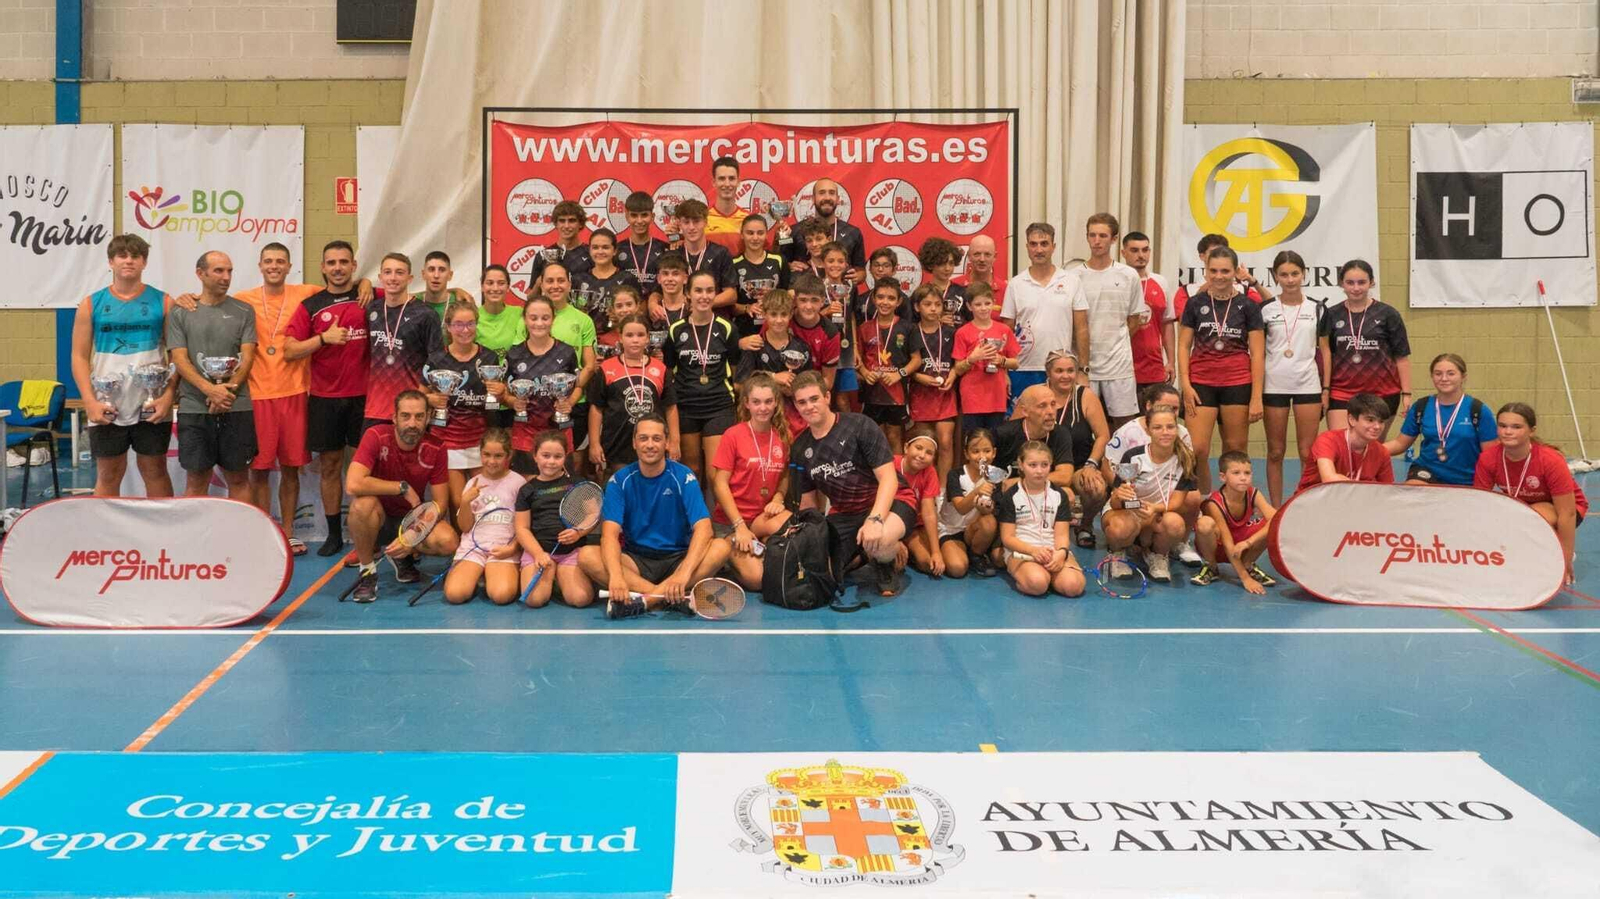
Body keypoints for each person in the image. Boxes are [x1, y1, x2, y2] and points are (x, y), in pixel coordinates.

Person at [579, 414, 731, 616]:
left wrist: (683, 575)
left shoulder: (684, 476)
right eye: (643, 438)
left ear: (667, 443)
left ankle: (647, 601)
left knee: (721, 547)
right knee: (587, 556)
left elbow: (704, 529)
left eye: (656, 439)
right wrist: (616, 576)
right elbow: (609, 535)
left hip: (678, 558)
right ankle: (668, 598)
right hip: (636, 561)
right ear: (634, 443)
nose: (650, 445)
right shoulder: (619, 480)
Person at [71, 234, 176, 497]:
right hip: (107, 402)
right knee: (108, 473)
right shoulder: (90, 304)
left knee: (155, 470)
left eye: (135, 256)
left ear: (144, 262)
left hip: (151, 402)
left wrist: (168, 397)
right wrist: (89, 402)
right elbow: (79, 356)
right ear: (111, 262)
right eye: (122, 255)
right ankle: (106, 526)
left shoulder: (163, 302)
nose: (129, 261)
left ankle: (162, 524)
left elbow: (176, 355)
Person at [790, 371, 913, 596]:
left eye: (814, 399)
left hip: (891, 501)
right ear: (796, 406)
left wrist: (875, 520)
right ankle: (865, 553)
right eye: (802, 402)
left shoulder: (859, 425)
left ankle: (886, 556)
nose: (809, 406)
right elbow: (808, 503)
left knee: (881, 540)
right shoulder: (800, 448)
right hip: (845, 513)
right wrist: (811, 539)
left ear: (827, 397)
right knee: (821, 571)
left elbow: (888, 479)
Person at [285, 240, 370, 556]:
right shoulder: (311, 305)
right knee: (331, 467)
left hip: (365, 398)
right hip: (325, 399)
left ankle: (367, 533)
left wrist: (367, 282)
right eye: (331, 262)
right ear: (323, 267)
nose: (337, 268)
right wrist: (323, 338)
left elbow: (404, 292)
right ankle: (334, 535)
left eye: (344, 262)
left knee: (365, 470)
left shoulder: (369, 296)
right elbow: (289, 350)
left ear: (353, 266)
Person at [233, 243, 320, 553]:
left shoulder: (306, 293)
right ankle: (264, 530)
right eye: (268, 261)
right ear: (260, 265)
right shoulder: (242, 299)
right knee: (258, 470)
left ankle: (288, 532)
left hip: (295, 393)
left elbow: (346, 289)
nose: (274, 266)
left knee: (291, 469)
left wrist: (364, 283)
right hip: (257, 395)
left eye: (280, 261)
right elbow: (206, 302)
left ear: (289, 266)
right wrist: (186, 298)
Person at [345, 391, 461, 602]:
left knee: (448, 541)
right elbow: (353, 484)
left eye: (419, 416)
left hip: (411, 520)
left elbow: (440, 504)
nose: (412, 423)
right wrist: (402, 488)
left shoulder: (437, 447)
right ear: (394, 417)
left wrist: (411, 537)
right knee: (362, 506)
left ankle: (402, 556)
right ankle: (367, 572)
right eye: (406, 416)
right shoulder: (375, 435)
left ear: (428, 417)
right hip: (377, 520)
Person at [168, 251, 257, 499]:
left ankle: (240, 527)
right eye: (219, 270)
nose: (226, 277)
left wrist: (225, 393)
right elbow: (179, 359)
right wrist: (210, 390)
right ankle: (196, 529)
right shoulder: (180, 312)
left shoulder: (244, 311)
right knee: (196, 480)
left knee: (239, 479)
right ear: (200, 273)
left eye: (229, 271)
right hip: (195, 408)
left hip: (236, 406)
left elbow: (248, 357)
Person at [1177, 245, 1264, 496]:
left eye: (1225, 271)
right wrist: (1186, 385)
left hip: (1237, 383)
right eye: (1213, 271)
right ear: (1205, 271)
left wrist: (1256, 397)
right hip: (1201, 383)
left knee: (1234, 451)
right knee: (1197, 449)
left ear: (1235, 272)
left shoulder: (1248, 306)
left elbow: (1258, 354)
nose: (1219, 276)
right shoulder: (1195, 304)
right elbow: (1183, 346)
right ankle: (1203, 500)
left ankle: (1232, 505)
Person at [1474, 402, 1586, 585]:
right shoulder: (1488, 458)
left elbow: (1568, 513)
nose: (1508, 432)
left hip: (1562, 508)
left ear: (1531, 431)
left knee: (1530, 519)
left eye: (1516, 427)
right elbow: (1480, 504)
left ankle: (1556, 546)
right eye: (1502, 426)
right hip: (1522, 507)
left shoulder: (1550, 460)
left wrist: (1565, 560)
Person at [1105, 382, 1204, 567]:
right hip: (1132, 505)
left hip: (1159, 505)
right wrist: (1120, 494)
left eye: (1174, 409)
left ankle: (1163, 551)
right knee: (1122, 528)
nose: (1165, 432)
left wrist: (1155, 508)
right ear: (1149, 429)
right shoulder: (1132, 450)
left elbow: (1177, 500)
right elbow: (1115, 490)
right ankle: (1119, 551)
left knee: (1182, 513)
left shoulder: (1184, 449)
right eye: (1158, 427)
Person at [710, 374, 792, 589]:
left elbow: (784, 476)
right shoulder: (733, 435)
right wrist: (739, 527)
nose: (762, 408)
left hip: (761, 518)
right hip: (731, 523)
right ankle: (728, 553)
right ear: (747, 403)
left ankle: (763, 544)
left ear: (776, 402)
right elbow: (719, 484)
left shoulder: (782, 436)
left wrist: (778, 497)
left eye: (768, 401)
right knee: (758, 580)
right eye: (756, 402)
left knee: (793, 527)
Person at [1020, 351, 1109, 547]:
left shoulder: (1085, 396)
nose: (1065, 376)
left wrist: (1091, 465)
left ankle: (1085, 526)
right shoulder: (1034, 394)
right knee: (1063, 493)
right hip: (1040, 468)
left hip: (1077, 467)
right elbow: (1018, 429)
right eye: (1059, 371)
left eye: (1070, 370)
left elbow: (1103, 435)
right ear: (1048, 373)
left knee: (1096, 488)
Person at [1258, 250, 1324, 505]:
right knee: (1275, 452)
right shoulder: (1265, 310)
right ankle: (1275, 508)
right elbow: (1257, 352)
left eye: (1295, 273)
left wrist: (1326, 388)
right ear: (1275, 276)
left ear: (1304, 274)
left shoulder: (1317, 308)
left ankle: (1304, 505)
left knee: (1307, 453)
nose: (1290, 280)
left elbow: (1326, 352)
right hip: (1274, 386)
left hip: (1308, 385)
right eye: (1284, 274)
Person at [424, 301, 504, 509]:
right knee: (459, 503)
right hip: (447, 439)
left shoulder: (489, 357)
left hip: (481, 439)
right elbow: (419, 394)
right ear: (448, 327)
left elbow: (496, 400)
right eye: (458, 324)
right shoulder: (436, 358)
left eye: (470, 323)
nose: (465, 330)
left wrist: (500, 393)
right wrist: (430, 399)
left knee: (482, 502)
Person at [1319, 259, 1411, 437]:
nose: (1356, 288)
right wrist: (1325, 390)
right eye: (1350, 282)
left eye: (1361, 282)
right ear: (1341, 284)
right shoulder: (1331, 314)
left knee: (1372, 448)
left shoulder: (1388, 314)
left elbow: (1402, 357)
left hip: (1382, 392)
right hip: (1341, 392)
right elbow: (1326, 356)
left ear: (1372, 282)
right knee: (1343, 445)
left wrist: (1406, 394)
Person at [1001, 222, 1090, 398]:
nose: (1039, 250)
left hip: (1061, 369)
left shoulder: (1072, 281)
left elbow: (1081, 329)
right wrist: (1004, 371)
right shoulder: (1015, 284)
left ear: (1053, 247)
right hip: (1022, 368)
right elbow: (1006, 330)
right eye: (1033, 244)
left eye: (1044, 244)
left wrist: (1083, 370)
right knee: (1025, 414)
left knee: (1059, 416)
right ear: (1027, 247)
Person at [1079, 213, 1150, 429]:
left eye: (1102, 236)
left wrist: (1115, 341)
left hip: (1119, 366)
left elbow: (1134, 320)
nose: (1097, 241)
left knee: (1124, 426)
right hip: (1085, 368)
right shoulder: (1073, 276)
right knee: (1082, 426)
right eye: (1092, 235)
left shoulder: (1128, 275)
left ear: (1114, 239)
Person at [513, 430, 598, 609]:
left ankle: (561, 577)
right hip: (540, 553)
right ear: (535, 456)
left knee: (580, 599)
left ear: (565, 457)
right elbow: (522, 528)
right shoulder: (527, 490)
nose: (551, 461)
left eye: (558, 456)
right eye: (546, 456)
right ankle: (552, 574)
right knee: (534, 600)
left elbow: (593, 515)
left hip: (570, 552)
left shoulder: (578, 483)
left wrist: (578, 532)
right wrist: (538, 554)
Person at [1385, 353, 1497, 486]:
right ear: (1432, 376)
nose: (1444, 378)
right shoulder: (1421, 407)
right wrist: (1369, 449)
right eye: (1438, 374)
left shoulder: (1478, 410)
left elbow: (1490, 455)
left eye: (1451, 374)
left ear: (1463, 377)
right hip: (1427, 471)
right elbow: (1400, 443)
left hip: (1465, 478)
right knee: (1413, 489)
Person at [444, 429, 526, 605]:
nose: (491, 461)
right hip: (473, 548)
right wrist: (465, 502)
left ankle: (491, 572)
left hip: (503, 549)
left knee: (501, 596)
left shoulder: (519, 483)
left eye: (498, 456)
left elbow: (525, 526)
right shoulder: (472, 483)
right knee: (455, 595)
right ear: (480, 453)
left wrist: (512, 548)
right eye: (486, 454)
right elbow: (465, 527)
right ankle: (478, 571)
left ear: (509, 455)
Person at [589, 313, 676, 479]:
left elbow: (670, 407)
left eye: (640, 335)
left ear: (648, 338)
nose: (635, 340)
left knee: (652, 486)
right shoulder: (607, 368)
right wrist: (594, 443)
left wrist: (674, 441)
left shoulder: (660, 368)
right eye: (629, 335)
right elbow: (596, 408)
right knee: (620, 486)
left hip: (652, 444)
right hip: (617, 443)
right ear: (620, 337)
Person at [995, 441, 1086, 597]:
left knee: (1074, 586)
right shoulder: (1012, 496)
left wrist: (1061, 553)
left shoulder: (1059, 495)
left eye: (1044, 465)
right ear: (1021, 465)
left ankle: (1051, 576)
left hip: (1053, 551)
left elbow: (1062, 535)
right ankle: (1035, 575)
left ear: (1051, 465)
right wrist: (1033, 551)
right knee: (1037, 583)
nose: (1039, 471)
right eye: (1032, 465)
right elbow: (1007, 538)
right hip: (1022, 551)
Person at [366, 252, 444, 430]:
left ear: (410, 278)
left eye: (399, 273)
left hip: (411, 410)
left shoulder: (425, 314)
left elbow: (437, 362)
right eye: (388, 272)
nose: (393, 278)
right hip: (375, 408)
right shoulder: (372, 309)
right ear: (380, 277)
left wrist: (423, 397)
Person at [505, 296, 582, 472]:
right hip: (526, 433)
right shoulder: (514, 354)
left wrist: (569, 403)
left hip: (559, 431)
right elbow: (504, 392)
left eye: (545, 318)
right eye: (533, 318)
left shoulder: (567, 351)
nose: (539, 323)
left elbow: (577, 386)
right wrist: (513, 402)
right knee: (528, 485)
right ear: (525, 319)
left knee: (560, 485)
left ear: (553, 319)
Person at [1192, 450, 1278, 594]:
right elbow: (1227, 543)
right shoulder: (1214, 503)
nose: (1243, 478)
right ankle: (1211, 566)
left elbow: (1277, 519)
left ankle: (1247, 564)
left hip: (1241, 545)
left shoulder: (1253, 493)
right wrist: (1245, 579)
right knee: (1205, 524)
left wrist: (1249, 542)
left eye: (1247, 473)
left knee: (1275, 524)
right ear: (1223, 477)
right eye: (1236, 473)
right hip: (1219, 546)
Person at [540, 262, 599, 470]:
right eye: (550, 281)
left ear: (569, 284)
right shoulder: (529, 318)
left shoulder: (583, 320)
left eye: (560, 280)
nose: (555, 286)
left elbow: (589, 366)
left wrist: (570, 399)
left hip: (575, 403)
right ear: (541, 284)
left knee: (573, 462)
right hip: (538, 405)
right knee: (542, 461)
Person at [732, 289, 813, 437]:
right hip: (761, 418)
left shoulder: (802, 347)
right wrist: (773, 378)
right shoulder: (754, 345)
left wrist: (793, 390)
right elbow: (739, 386)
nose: (779, 320)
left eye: (783, 314)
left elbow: (809, 385)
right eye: (774, 314)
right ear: (764, 314)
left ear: (791, 314)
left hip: (794, 420)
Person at [855, 280, 921, 449]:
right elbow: (857, 359)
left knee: (894, 437)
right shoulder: (864, 328)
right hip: (871, 393)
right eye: (881, 297)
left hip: (896, 395)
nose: (885, 302)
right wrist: (864, 372)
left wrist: (899, 374)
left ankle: (897, 467)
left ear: (899, 302)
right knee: (873, 440)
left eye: (891, 298)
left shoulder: (908, 328)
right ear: (874, 299)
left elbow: (916, 360)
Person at [936, 428, 1005, 579]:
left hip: (973, 530)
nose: (982, 456)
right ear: (966, 453)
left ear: (994, 453)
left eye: (987, 451)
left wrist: (985, 507)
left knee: (989, 522)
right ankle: (955, 551)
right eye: (975, 451)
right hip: (951, 530)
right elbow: (961, 508)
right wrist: (977, 491)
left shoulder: (995, 477)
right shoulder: (955, 475)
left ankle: (976, 555)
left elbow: (990, 511)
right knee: (957, 569)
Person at [907, 285, 959, 484]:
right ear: (917, 307)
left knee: (945, 442)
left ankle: (943, 490)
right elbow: (904, 363)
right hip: (920, 394)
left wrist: (952, 375)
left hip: (945, 392)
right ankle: (923, 485)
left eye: (938, 304)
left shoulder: (951, 332)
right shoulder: (910, 331)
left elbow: (958, 362)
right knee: (923, 443)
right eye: (927, 304)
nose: (933, 308)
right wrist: (917, 377)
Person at [953, 282, 1020, 434]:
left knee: (995, 439)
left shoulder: (1004, 330)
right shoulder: (962, 333)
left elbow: (1016, 363)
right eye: (978, 304)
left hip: (997, 397)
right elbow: (957, 368)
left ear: (993, 303)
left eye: (987, 303)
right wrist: (972, 358)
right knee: (973, 439)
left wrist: (1001, 361)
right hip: (972, 397)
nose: (983, 308)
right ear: (969, 306)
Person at [1295, 392, 1396, 492]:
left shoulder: (1382, 452)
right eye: (1370, 420)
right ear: (1352, 420)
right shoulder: (1327, 440)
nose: (1377, 426)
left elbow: (1387, 491)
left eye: (1381, 421)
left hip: (1353, 499)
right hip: (1313, 498)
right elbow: (1329, 479)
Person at [1120, 230, 1173, 396]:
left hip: (1154, 367)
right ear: (1123, 253)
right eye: (1134, 250)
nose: (1141, 255)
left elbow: (1167, 324)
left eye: (1145, 250)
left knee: (1154, 411)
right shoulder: (1117, 282)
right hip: (1121, 367)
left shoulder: (1160, 282)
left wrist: (1171, 361)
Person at [782, 177, 866, 281]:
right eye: (822, 193)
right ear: (813, 199)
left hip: (841, 289)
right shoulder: (794, 231)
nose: (827, 197)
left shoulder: (853, 233)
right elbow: (780, 262)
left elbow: (861, 270)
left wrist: (859, 276)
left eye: (832, 193)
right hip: (805, 289)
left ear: (838, 199)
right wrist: (788, 266)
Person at [992, 384, 1074, 489]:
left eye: (1053, 404)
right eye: (1042, 406)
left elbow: (1064, 477)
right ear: (1025, 411)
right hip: (1008, 493)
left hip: (1042, 489)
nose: (1050, 412)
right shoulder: (1004, 434)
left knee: (1067, 493)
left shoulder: (1061, 433)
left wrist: (1020, 483)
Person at [572, 228, 641, 337]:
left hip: (618, 338)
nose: (600, 252)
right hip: (584, 338)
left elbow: (639, 312)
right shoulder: (578, 279)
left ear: (615, 250)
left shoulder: (627, 278)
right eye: (595, 247)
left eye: (605, 247)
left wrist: (620, 319)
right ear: (589, 250)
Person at [670, 199, 736, 310]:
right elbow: (659, 291)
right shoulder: (674, 255)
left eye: (696, 221)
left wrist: (703, 303)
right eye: (686, 222)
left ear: (705, 222)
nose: (691, 227)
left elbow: (731, 294)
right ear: (679, 223)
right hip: (681, 315)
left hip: (713, 316)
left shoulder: (720, 253)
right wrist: (652, 304)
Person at [729, 214, 788, 338]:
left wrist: (773, 302)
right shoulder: (733, 263)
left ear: (766, 234)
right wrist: (747, 308)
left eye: (760, 233)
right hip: (744, 331)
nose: (755, 238)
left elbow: (788, 295)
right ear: (742, 234)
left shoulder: (778, 260)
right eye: (750, 233)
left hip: (775, 330)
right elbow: (729, 306)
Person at [897, 429, 946, 578]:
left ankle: (911, 549)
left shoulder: (930, 472)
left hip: (916, 525)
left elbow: (929, 513)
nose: (922, 455)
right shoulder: (891, 465)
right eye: (918, 448)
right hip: (894, 524)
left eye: (929, 453)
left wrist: (936, 552)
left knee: (930, 564)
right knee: (893, 562)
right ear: (906, 447)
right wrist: (894, 540)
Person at [820, 242, 858, 413]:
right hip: (823, 346)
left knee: (843, 399)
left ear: (846, 264)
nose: (835, 265)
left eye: (840, 261)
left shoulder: (851, 287)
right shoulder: (816, 286)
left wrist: (855, 347)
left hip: (845, 347)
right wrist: (826, 311)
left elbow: (851, 317)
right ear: (823, 263)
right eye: (831, 261)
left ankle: (846, 428)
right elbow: (807, 316)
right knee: (823, 394)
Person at [787, 274, 842, 392]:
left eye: (814, 300)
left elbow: (828, 382)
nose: (808, 306)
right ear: (795, 300)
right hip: (779, 387)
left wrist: (798, 390)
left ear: (823, 301)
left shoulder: (831, 333)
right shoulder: (782, 321)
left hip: (810, 391)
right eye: (803, 300)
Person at [472, 264, 527, 360]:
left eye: (501, 283)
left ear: (508, 287)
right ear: (482, 287)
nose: (495, 288)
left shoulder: (520, 314)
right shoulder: (472, 316)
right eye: (490, 283)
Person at [620, 190, 668, 298]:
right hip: (627, 306)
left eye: (644, 215)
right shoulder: (617, 249)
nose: (639, 220)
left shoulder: (664, 248)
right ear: (627, 217)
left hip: (657, 305)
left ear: (652, 216)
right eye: (634, 215)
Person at [530, 199, 591, 283]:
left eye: (572, 220)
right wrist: (540, 282)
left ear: (580, 224)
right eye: (562, 221)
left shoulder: (591, 254)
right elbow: (532, 292)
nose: (566, 226)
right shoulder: (543, 255)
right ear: (556, 224)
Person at [705, 155, 751, 257]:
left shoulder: (748, 219)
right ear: (714, 182)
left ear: (738, 182)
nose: (727, 184)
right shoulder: (702, 219)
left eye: (731, 178)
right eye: (722, 179)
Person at [919, 237, 969, 325]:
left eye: (951, 263)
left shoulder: (963, 292)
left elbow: (971, 322)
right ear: (930, 265)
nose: (947, 268)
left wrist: (956, 320)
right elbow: (912, 324)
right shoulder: (920, 293)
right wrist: (936, 321)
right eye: (942, 263)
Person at [594, 283, 643, 361]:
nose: (625, 310)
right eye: (619, 306)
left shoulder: (646, 336)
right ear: (613, 309)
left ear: (637, 306)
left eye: (629, 304)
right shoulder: (605, 340)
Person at [955, 234, 1005, 309]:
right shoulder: (954, 287)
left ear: (994, 256)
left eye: (987, 254)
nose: (982, 259)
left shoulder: (1006, 290)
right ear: (969, 256)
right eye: (977, 254)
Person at [648, 252, 692, 330]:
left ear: (685, 279)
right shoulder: (653, 311)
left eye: (675, 274)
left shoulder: (692, 308)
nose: (670, 279)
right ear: (659, 278)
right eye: (665, 274)